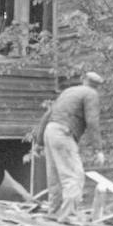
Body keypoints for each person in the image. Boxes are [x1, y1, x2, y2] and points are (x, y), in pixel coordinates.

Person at [40, 71, 106, 218]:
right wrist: (98, 149)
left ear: (83, 80)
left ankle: (54, 213)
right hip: (63, 133)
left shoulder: (68, 91)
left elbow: (48, 115)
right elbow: (92, 122)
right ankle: (68, 217)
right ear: (98, 86)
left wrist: (39, 141)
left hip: (50, 131)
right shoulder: (91, 94)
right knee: (74, 177)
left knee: (55, 177)